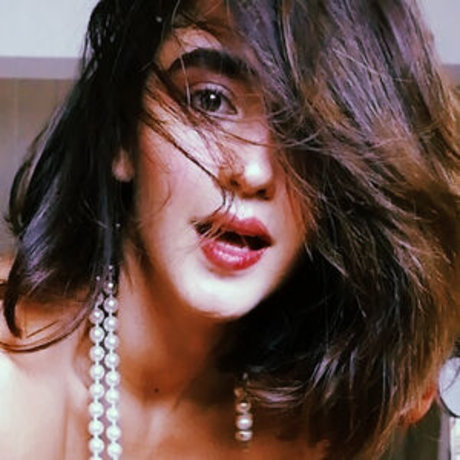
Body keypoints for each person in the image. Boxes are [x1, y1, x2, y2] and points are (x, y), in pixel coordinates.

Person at [0, 0, 459, 458]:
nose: (253, 171)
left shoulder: (309, 427)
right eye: (210, 100)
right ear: (122, 134)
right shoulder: (11, 379)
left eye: (305, 129)